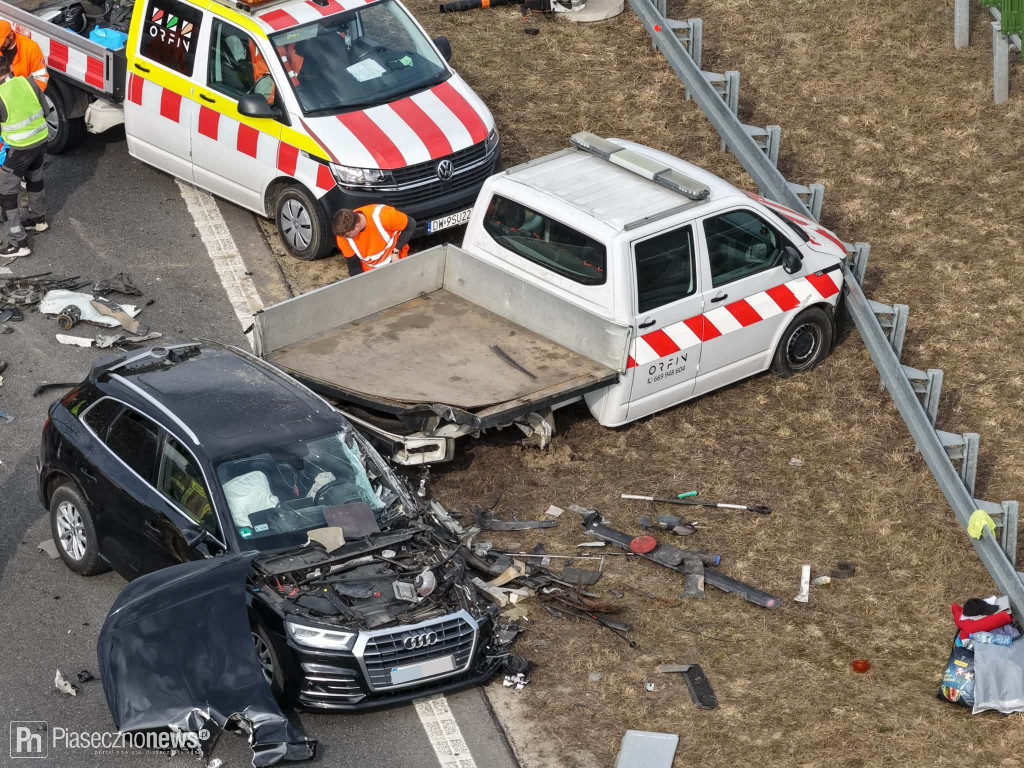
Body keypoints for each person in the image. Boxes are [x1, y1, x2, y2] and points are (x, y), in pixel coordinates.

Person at [0, 57, 48, 257]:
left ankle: (18, 243)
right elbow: (45, 110)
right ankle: (38, 220)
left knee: (6, 192)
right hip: (42, 140)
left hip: (19, 150)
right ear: (10, 68)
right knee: (34, 180)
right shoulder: (28, 81)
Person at [334, 205, 416, 276]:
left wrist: (395, 252)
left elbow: (411, 224)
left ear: (357, 226)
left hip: (395, 259)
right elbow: (353, 264)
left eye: (348, 235)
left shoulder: (384, 215)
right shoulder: (343, 236)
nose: (345, 238)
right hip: (371, 270)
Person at [0, 20, 49, 91]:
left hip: (24, 92)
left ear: (11, 35)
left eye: (1, 42)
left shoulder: (30, 48)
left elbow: (41, 78)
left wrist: (30, 96)